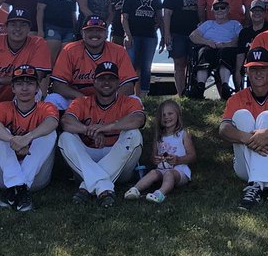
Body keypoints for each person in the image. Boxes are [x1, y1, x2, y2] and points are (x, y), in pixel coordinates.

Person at [218, 46, 268, 210]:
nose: (258, 73)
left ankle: (255, 186)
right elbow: (223, 129)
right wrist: (247, 138)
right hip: (246, 168)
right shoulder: (237, 98)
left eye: (263, 68)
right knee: (242, 116)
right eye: (254, 69)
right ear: (247, 71)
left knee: (266, 117)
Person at [59, 61, 145, 208]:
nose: (106, 82)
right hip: (88, 157)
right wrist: (89, 130)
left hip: (118, 158)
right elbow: (66, 122)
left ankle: (87, 186)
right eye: (102, 79)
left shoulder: (129, 101)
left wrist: (105, 128)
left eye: (111, 79)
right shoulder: (82, 101)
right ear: (94, 82)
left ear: (118, 82)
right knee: (65, 137)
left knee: (134, 134)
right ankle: (104, 187)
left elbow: (138, 119)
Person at [0, 64, 60, 212]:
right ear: (12, 88)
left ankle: (14, 188)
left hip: (36, 176)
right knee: (0, 134)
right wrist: (13, 139)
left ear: (37, 87)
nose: (24, 88)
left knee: (49, 134)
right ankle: (20, 188)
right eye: (19, 84)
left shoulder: (46, 107)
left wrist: (28, 137)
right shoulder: (3, 106)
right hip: (3, 175)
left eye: (30, 83)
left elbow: (53, 122)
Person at [48, 16, 137, 110]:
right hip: (78, 100)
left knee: (135, 100)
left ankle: (116, 125)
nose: (95, 34)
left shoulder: (119, 51)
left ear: (106, 33)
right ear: (82, 33)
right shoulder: (70, 50)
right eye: (90, 30)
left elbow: (128, 86)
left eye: (99, 30)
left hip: (110, 101)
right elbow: (58, 85)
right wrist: (85, 99)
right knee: (53, 99)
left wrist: (106, 101)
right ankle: (66, 124)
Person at [0, 7, 51, 106]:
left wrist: (0, 81)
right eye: (13, 24)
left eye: (23, 25)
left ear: (29, 28)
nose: (18, 28)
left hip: (20, 100)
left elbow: (36, 76)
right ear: (6, 27)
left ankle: (23, 119)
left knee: (35, 91)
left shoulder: (38, 44)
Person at [124, 100, 196, 203]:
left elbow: (192, 156)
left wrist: (178, 160)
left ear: (178, 115)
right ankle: (135, 189)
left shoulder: (183, 134)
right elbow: (153, 157)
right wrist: (155, 160)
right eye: (163, 115)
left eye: (170, 113)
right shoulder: (159, 137)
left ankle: (160, 193)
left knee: (169, 174)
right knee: (153, 172)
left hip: (180, 171)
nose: (166, 117)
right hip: (162, 169)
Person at [121, 0, 163, 98]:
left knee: (146, 67)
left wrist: (163, 36)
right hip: (134, 36)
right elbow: (124, 17)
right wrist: (127, 35)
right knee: (130, 66)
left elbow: (160, 18)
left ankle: (143, 97)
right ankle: (128, 96)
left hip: (150, 37)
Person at [162, 0, 202, 96]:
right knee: (179, 64)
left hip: (197, 33)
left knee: (197, 64)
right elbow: (166, 13)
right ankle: (181, 94)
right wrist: (166, 33)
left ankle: (196, 93)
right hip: (177, 33)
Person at [188, 0, 242, 97]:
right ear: (212, 10)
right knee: (204, 52)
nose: (220, 10)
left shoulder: (235, 24)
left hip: (227, 50)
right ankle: (200, 86)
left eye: (223, 7)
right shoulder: (207, 24)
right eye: (216, 8)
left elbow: (240, 39)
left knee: (224, 53)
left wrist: (226, 44)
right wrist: (207, 42)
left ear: (228, 9)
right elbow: (193, 36)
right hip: (209, 49)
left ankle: (225, 86)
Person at [38, 0, 77, 65]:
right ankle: (46, 80)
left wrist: (76, 31)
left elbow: (73, 14)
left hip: (68, 30)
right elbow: (40, 9)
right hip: (52, 26)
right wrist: (40, 30)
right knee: (50, 60)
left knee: (64, 59)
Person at [235, 0, 268, 86]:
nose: (257, 13)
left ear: (264, 13)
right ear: (250, 13)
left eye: (260, 11)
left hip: (267, 64)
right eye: (254, 11)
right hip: (250, 66)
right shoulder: (244, 32)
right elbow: (240, 54)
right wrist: (238, 71)